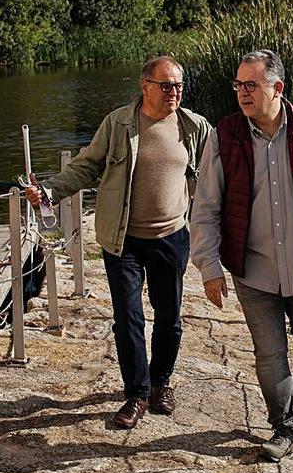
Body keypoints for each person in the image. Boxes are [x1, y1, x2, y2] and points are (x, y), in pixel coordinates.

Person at [26, 56, 211, 429]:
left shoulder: (195, 127)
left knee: (170, 320)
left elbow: (219, 174)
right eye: (166, 85)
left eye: (178, 85)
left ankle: (161, 383)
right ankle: (137, 394)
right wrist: (49, 190)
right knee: (128, 318)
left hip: (171, 236)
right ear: (145, 86)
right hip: (122, 239)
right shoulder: (118, 123)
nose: (174, 92)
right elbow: (87, 166)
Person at [189, 49, 293, 461]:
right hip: (253, 271)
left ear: (277, 88)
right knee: (269, 354)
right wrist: (210, 268)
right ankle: (282, 426)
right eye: (238, 85)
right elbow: (206, 207)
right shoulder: (224, 135)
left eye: (251, 85)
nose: (242, 93)